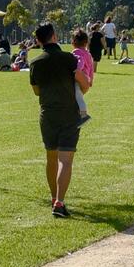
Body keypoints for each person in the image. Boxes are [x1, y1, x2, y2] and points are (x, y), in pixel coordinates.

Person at [28, 22, 88, 217]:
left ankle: (54, 198)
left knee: (51, 157)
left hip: (47, 114)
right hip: (69, 114)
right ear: (54, 36)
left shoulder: (35, 63)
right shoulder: (69, 59)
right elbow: (84, 84)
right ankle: (60, 203)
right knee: (66, 160)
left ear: (38, 41)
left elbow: (37, 91)